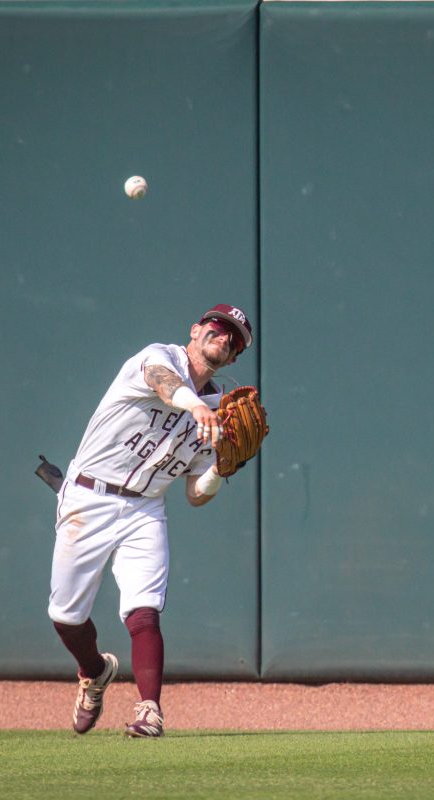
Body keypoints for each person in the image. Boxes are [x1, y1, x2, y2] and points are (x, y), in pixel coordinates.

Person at [48, 303, 254, 737]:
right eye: (218, 328)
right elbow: (164, 385)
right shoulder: (158, 358)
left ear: (235, 358)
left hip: (145, 507)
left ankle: (150, 711)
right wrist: (195, 408)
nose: (224, 337)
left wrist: (221, 469)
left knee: (144, 610)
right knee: (66, 615)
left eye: (234, 339)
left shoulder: (219, 410)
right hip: (89, 494)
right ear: (196, 330)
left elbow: (195, 495)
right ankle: (94, 670)